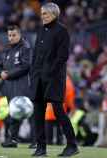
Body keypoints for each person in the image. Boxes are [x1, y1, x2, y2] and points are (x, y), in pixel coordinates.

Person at [30, 2, 79, 157]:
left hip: (54, 78)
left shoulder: (62, 31)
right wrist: (33, 73)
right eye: (42, 13)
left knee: (59, 111)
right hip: (38, 78)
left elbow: (63, 56)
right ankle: (41, 147)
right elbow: (36, 53)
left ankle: (72, 145)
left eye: (45, 13)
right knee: (38, 112)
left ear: (54, 15)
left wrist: (49, 72)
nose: (42, 16)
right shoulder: (41, 30)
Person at [0, 25, 32, 148]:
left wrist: (9, 74)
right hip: (9, 86)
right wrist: (0, 73)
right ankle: (13, 140)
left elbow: (26, 66)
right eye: (9, 35)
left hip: (22, 84)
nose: (11, 38)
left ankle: (36, 140)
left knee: (27, 112)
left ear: (19, 35)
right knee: (14, 112)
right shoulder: (7, 49)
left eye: (14, 35)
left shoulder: (25, 48)